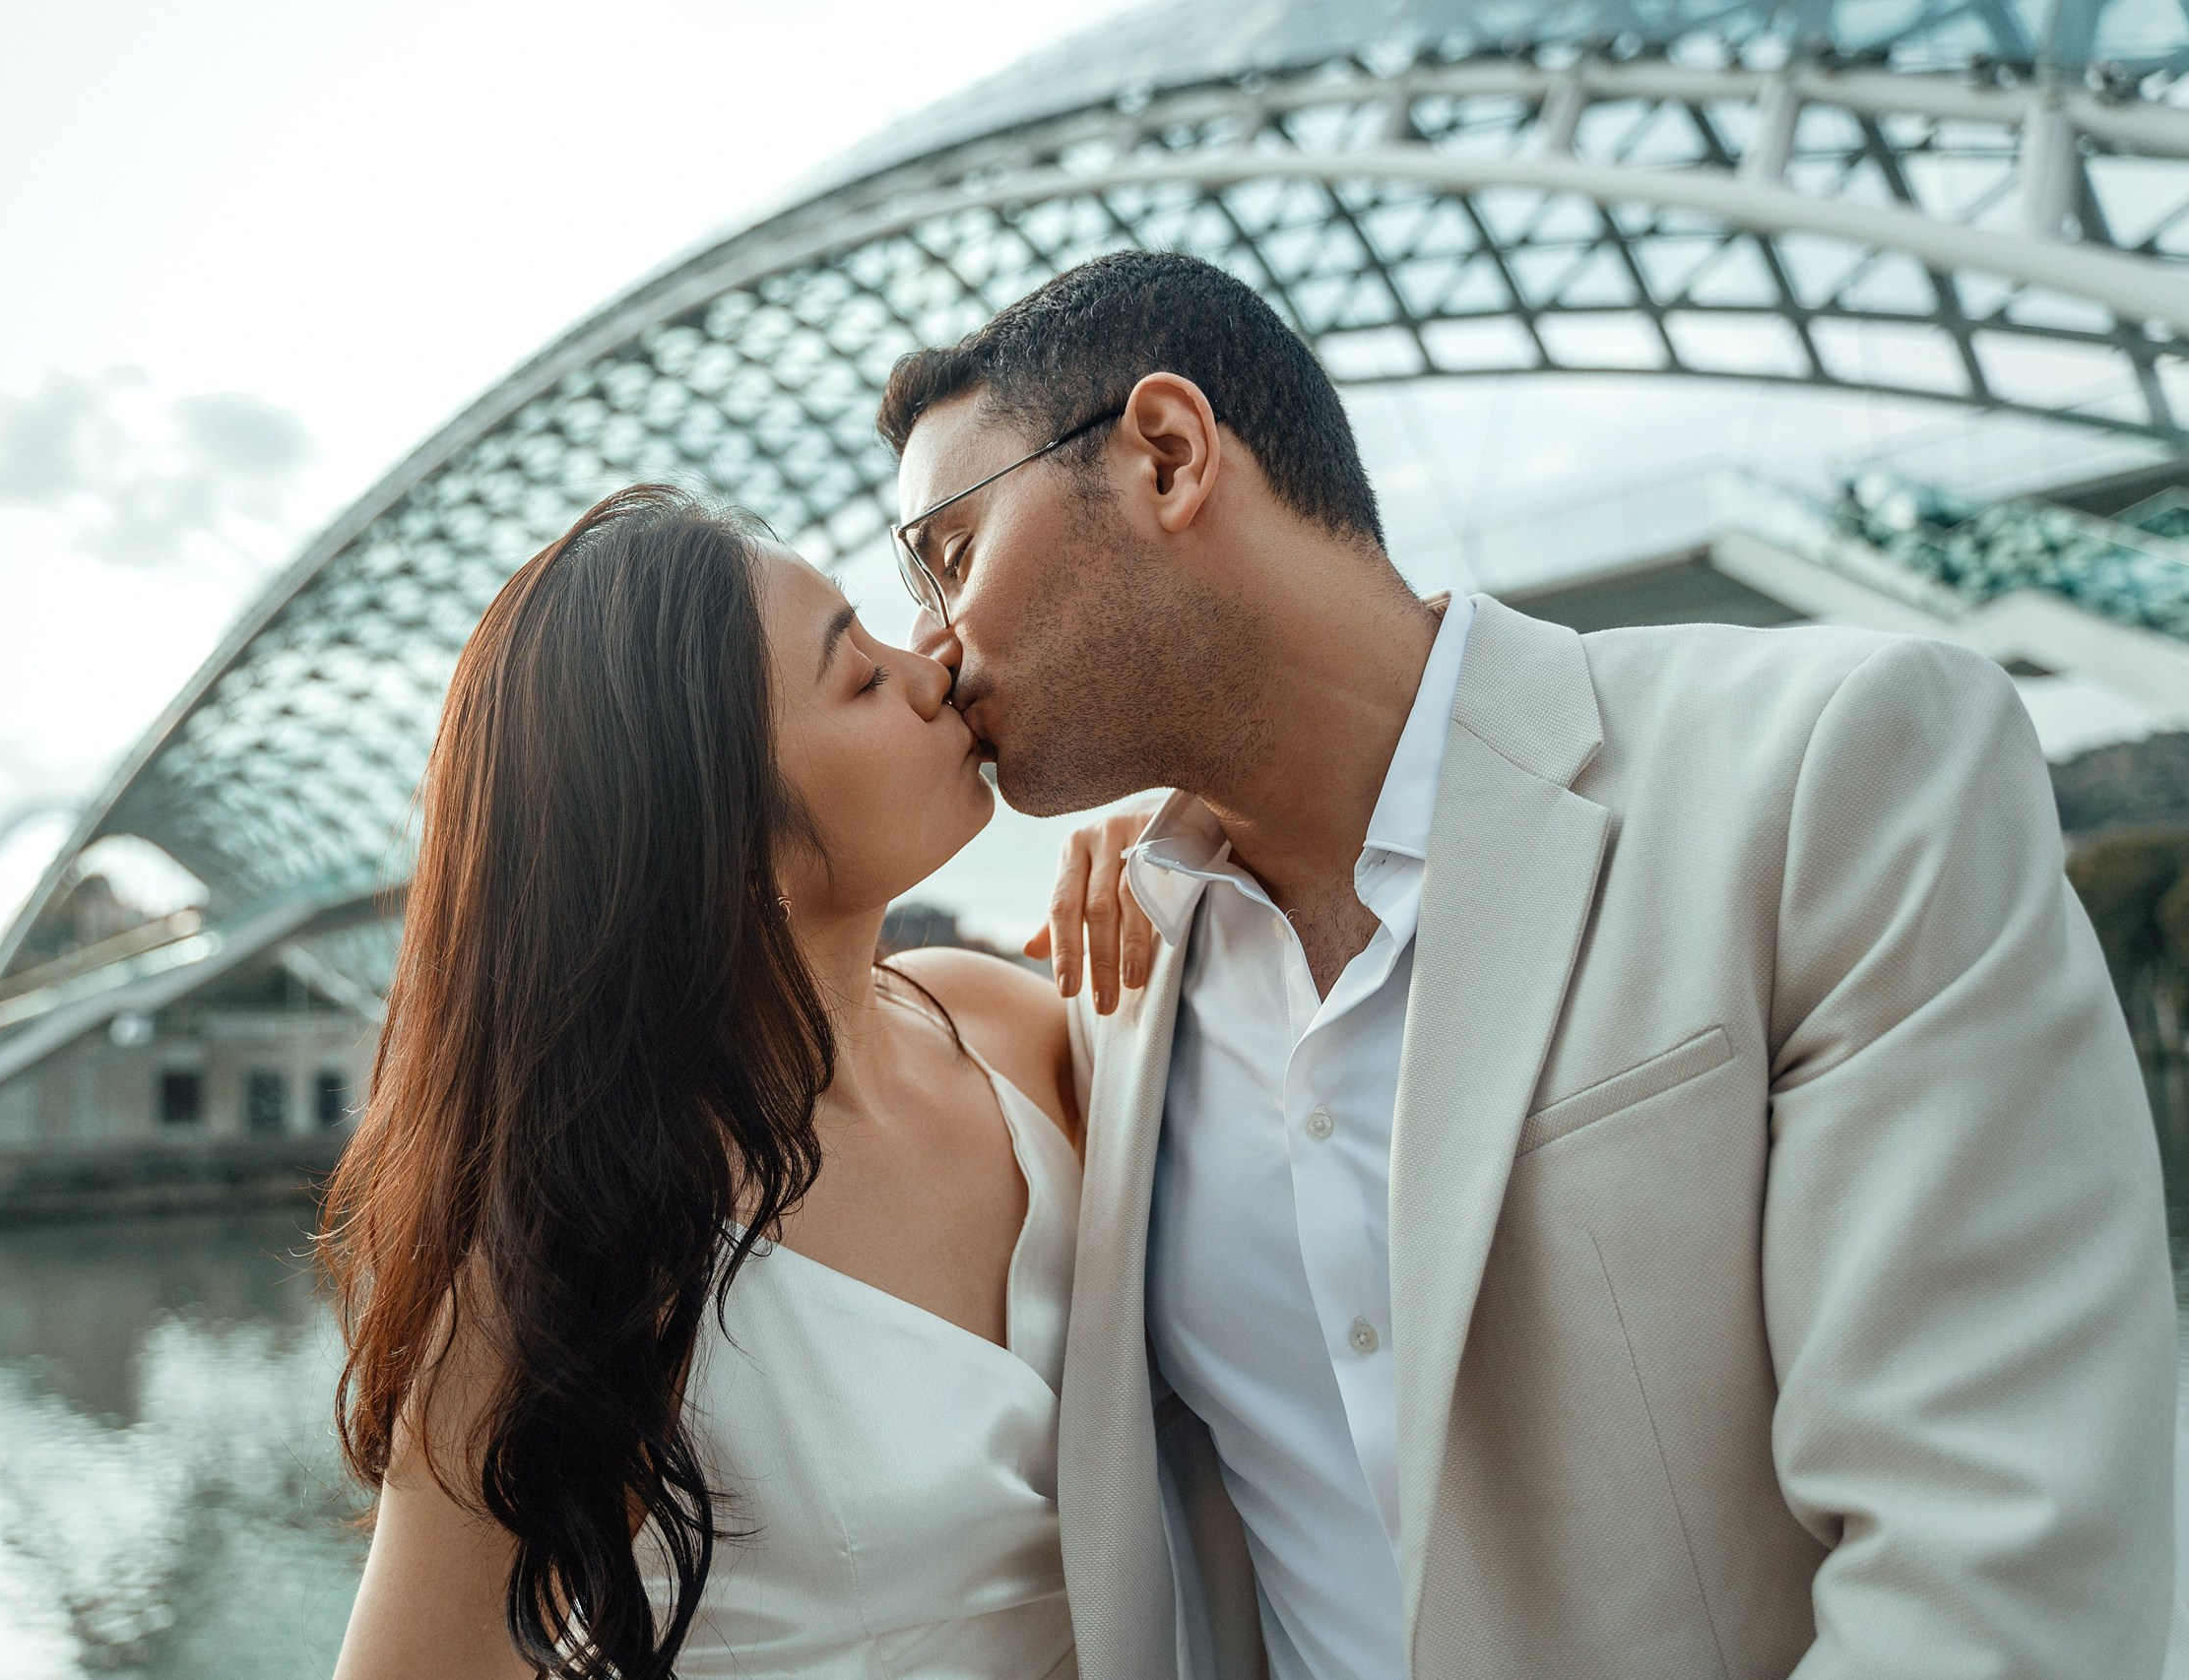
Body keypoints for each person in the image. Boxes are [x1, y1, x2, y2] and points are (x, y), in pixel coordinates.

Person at [881, 249, 2179, 1679]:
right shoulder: (1113, 997)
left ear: (1169, 455)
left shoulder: (1834, 773)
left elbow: (1994, 1558)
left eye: (947, 552)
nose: (928, 651)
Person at [322, 485, 1086, 1680]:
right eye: (862, 675)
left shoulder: (1007, 1027)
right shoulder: (585, 1246)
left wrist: (1188, 851)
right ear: (722, 834)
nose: (931, 658)